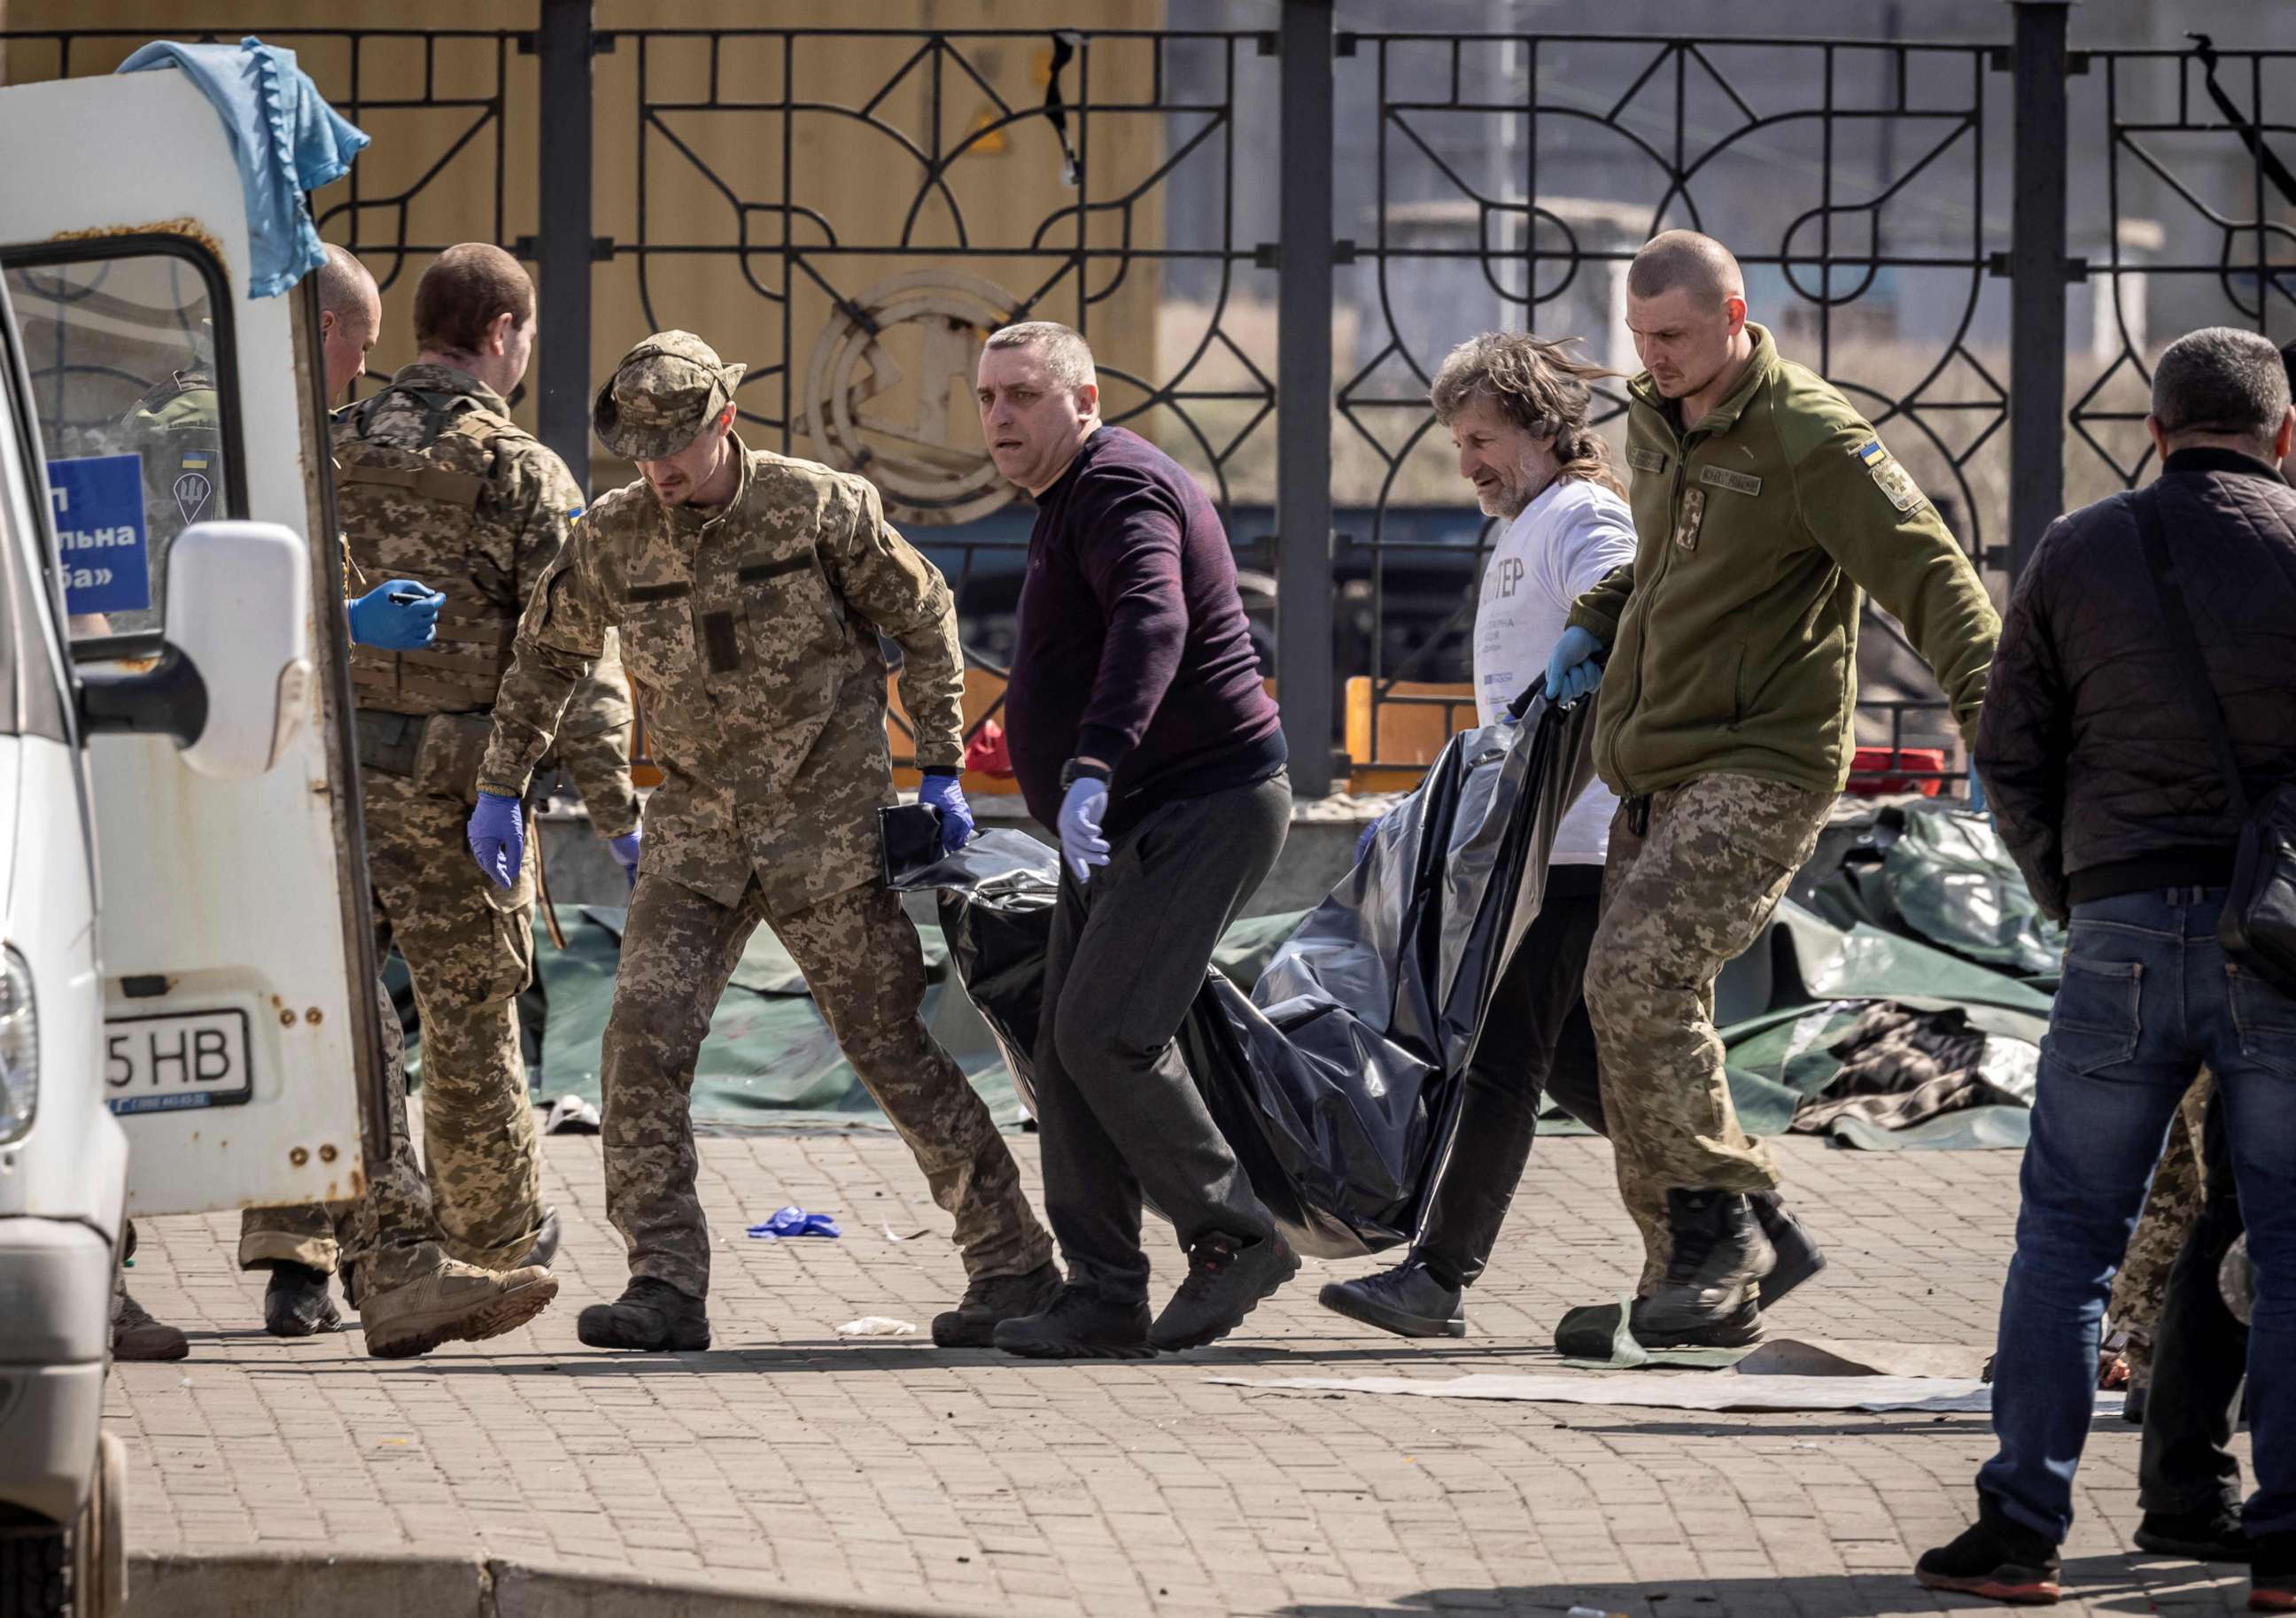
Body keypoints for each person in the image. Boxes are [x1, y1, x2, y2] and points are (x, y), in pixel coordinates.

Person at [468, 330, 1056, 1353]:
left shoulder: (819, 507)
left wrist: (943, 764)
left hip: (822, 828)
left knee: (888, 1047)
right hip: (695, 837)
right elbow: (545, 658)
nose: (661, 470)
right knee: (639, 1048)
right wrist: (500, 786)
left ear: (724, 423)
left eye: (678, 448)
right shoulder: (613, 533)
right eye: (643, 452)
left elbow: (924, 618)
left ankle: (1013, 1265)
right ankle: (664, 1283)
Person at [1545, 230, 1997, 1352]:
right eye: (1640, 338)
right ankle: (1698, 1266)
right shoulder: (1657, 420)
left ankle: (1726, 1225)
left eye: (1676, 336)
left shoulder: (1813, 437)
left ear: (1737, 315)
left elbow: (1930, 571)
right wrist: (1595, 620)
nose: (1653, 359)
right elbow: (1660, 563)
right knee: (1629, 1011)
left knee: (1638, 976)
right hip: (1656, 761)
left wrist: (2002, 720)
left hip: (1765, 760)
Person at [1915, 327, 2296, 1611]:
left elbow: (2008, 750)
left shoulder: (2081, 549)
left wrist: (2074, 892)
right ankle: (2286, 1552)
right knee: (2292, 1248)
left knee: (2068, 1239)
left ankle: (2021, 1527)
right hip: (2277, 948)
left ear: (2154, 430)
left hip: (2121, 927)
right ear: (2284, 433)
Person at [238, 244, 632, 1337]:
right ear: (504, 334)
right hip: (459, 794)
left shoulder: (325, 442)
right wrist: (612, 801)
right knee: (466, 1018)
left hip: (320, 785)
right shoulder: (520, 470)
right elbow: (573, 647)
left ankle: (297, 1251)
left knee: (329, 1015)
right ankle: (488, 1243)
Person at [972, 321, 1293, 1359]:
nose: (1000, 417)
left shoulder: (1117, 487)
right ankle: (1102, 1291)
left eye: (1023, 394)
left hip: (1195, 803)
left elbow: (1156, 620)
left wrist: (1096, 764)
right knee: (1065, 1051)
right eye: (987, 398)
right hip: (1125, 817)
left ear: (1086, 398)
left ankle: (1234, 1235)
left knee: (1106, 1032)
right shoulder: (1069, 496)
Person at [1318, 331, 1635, 1338]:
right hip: (1529, 844)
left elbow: (1629, 591)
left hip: (1572, 844)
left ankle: (1440, 1277)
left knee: (1503, 1056)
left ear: (1545, 428)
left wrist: (1598, 629)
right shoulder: (1526, 523)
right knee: (1586, 1065)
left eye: (1482, 439)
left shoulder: (1579, 514)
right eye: (1458, 443)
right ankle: (1738, 1212)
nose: (1467, 465)